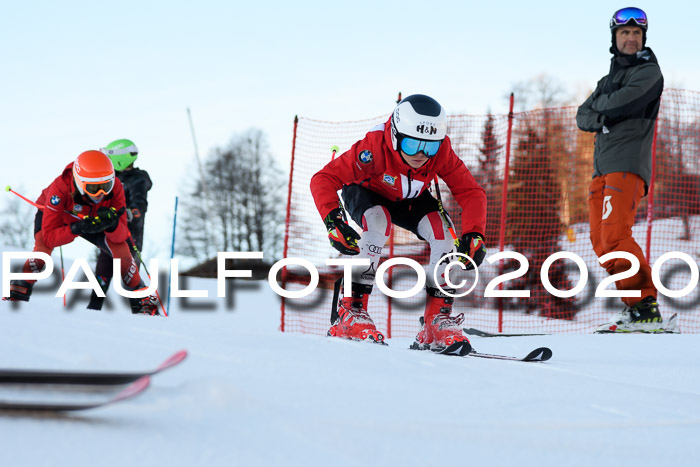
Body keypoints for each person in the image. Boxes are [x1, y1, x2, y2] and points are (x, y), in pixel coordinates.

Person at [310, 94, 487, 351]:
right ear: (395, 135)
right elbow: (323, 178)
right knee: (379, 221)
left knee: (444, 232)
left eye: (430, 146)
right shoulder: (373, 147)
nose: (422, 154)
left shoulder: (441, 152)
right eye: (413, 144)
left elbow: (471, 192)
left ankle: (435, 322)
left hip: (410, 197)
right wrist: (333, 220)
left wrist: (475, 233)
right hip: (366, 190)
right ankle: (350, 312)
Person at [576, 7, 666, 332]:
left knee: (616, 236)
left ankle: (646, 305)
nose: (631, 38)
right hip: (601, 170)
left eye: (636, 33)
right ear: (615, 38)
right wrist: (603, 115)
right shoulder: (607, 78)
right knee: (601, 241)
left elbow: (622, 103)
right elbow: (582, 116)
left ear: (643, 38)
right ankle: (635, 310)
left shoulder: (649, 72)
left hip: (627, 166)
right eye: (625, 33)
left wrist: (602, 108)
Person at [8, 150, 159, 315]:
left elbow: (122, 235)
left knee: (121, 249)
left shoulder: (116, 187)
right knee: (43, 249)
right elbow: (51, 238)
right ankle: (19, 287)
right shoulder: (60, 188)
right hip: (61, 217)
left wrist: (113, 225)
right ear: (80, 182)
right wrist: (77, 228)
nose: (100, 194)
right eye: (94, 188)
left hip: (92, 217)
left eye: (105, 186)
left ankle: (141, 297)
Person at [87, 139, 153, 310]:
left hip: (129, 240)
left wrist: (130, 213)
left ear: (120, 159)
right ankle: (92, 310)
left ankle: (146, 311)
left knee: (130, 280)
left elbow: (140, 206)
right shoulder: (110, 177)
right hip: (108, 236)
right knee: (101, 276)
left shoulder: (138, 180)